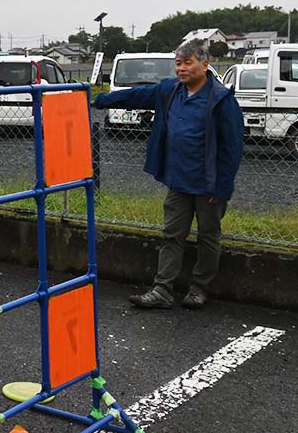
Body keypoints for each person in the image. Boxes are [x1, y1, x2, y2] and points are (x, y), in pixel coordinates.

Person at [92, 42, 243, 309]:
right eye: (178, 63)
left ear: (205, 65)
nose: (181, 68)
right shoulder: (170, 90)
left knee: (208, 237)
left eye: (187, 63)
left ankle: (199, 288)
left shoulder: (221, 99)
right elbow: (136, 95)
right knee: (172, 235)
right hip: (178, 181)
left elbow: (232, 149)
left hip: (208, 186)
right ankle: (162, 289)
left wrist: (222, 188)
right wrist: (100, 99)